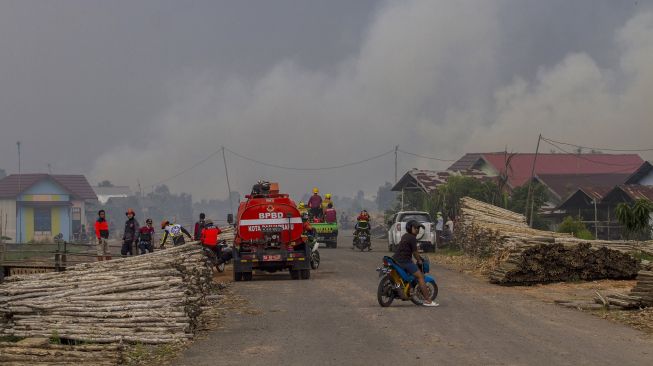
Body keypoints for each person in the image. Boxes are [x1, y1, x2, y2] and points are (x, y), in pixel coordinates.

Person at [392, 220, 439, 307]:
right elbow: (415, 253)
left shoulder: (405, 236)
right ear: (410, 228)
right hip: (404, 261)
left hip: (396, 260)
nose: (417, 230)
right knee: (420, 276)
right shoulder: (412, 238)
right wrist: (420, 260)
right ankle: (428, 300)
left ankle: (404, 289)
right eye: (415, 228)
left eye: (418, 228)